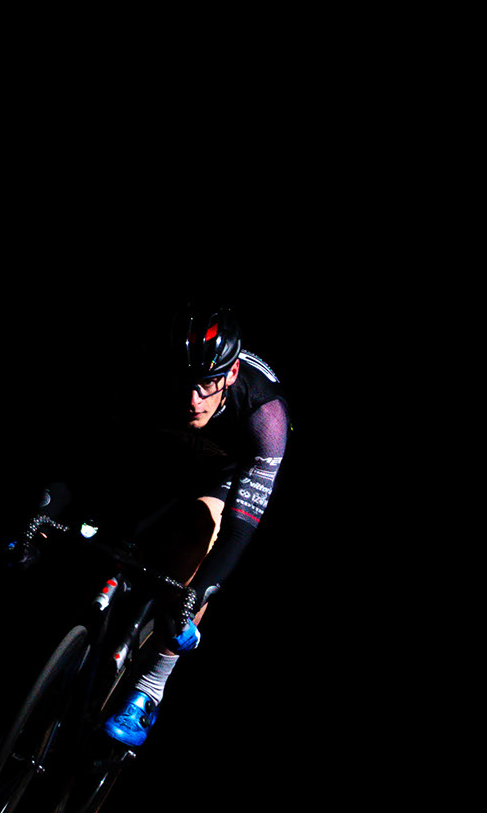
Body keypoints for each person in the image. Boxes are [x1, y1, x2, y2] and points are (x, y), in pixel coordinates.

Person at [20, 311, 291, 748]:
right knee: (104, 512)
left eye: (207, 383)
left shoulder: (265, 414)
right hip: (160, 455)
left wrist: (196, 593)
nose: (194, 398)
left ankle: (149, 688)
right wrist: (40, 518)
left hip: (221, 476)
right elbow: (80, 456)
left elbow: (239, 531)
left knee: (199, 534)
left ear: (232, 373)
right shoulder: (144, 375)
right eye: (184, 382)